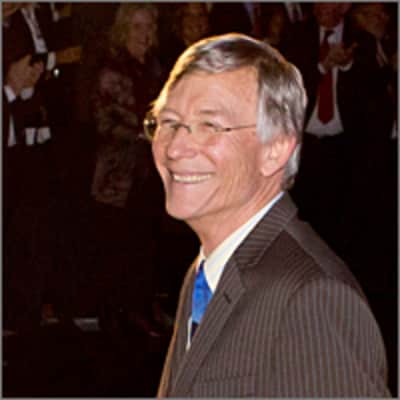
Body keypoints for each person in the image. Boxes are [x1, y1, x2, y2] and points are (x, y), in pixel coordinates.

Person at [143, 33, 390, 397]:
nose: (175, 148)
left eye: (209, 126)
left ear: (275, 149)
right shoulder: (206, 270)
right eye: (169, 122)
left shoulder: (312, 298)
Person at [90, 3, 164, 337]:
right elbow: (104, 122)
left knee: (145, 245)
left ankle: (142, 309)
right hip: (118, 175)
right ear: (123, 30)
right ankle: (115, 318)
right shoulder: (111, 69)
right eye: (137, 27)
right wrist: (141, 132)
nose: (144, 34)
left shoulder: (156, 67)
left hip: (149, 172)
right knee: (116, 248)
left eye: (149, 27)